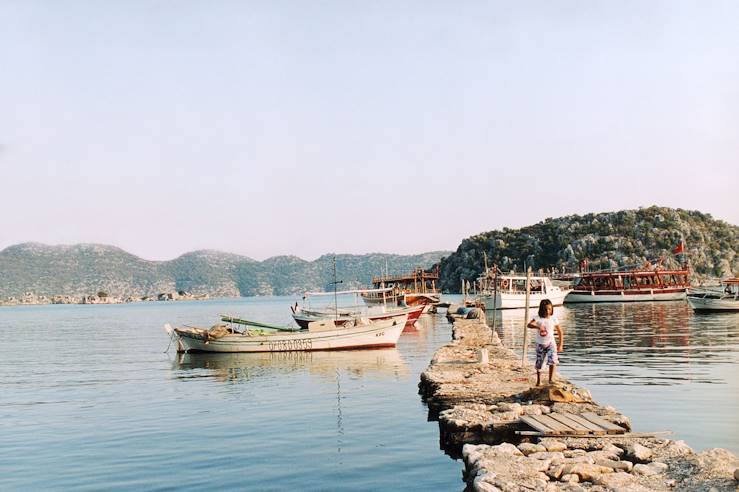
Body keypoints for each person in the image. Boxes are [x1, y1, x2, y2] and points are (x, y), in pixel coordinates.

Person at [527, 299, 564, 386]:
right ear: (541, 309)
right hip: (540, 343)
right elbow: (529, 325)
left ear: (551, 309)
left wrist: (560, 344)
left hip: (551, 343)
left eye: (549, 309)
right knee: (539, 363)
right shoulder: (538, 318)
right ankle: (538, 381)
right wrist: (538, 326)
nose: (547, 311)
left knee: (553, 360)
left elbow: (560, 332)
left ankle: (551, 379)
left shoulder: (554, 319)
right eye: (545, 309)